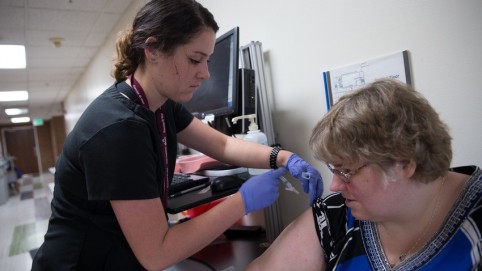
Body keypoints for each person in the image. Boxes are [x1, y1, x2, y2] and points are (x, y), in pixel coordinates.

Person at [30, 0, 323, 270]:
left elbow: (220, 143)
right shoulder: (118, 130)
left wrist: (281, 156)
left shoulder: (160, 104)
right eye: (196, 59)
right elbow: (157, 253)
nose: (206, 73)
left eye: (208, 60)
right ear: (153, 49)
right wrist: (242, 201)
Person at [246, 79, 482, 271]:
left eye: (346, 171)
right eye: (333, 169)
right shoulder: (336, 215)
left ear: (404, 164)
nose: (335, 185)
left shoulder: (475, 228)